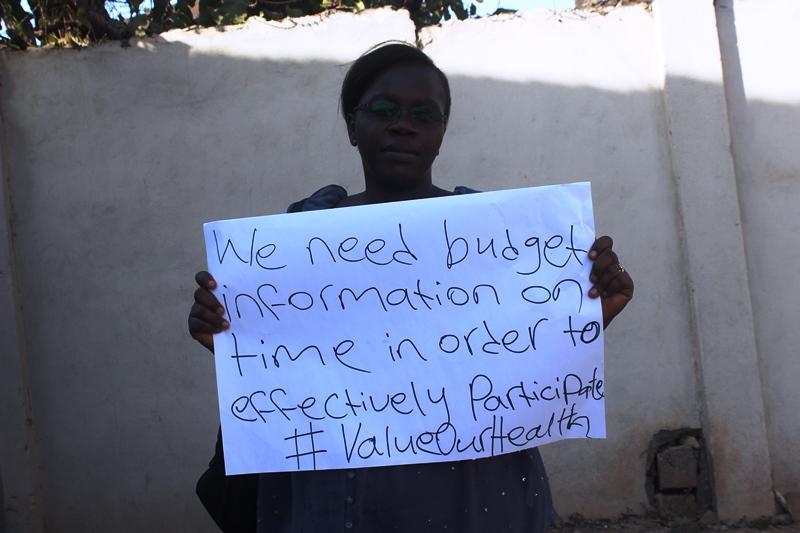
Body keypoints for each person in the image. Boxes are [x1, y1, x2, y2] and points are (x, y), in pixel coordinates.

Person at [188, 42, 634, 533]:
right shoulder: (295, 239)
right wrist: (228, 342)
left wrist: (592, 313)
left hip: (472, 494)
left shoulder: (498, 239)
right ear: (353, 124)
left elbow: (523, 362)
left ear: (442, 133)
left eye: (424, 114)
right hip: (339, 496)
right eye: (383, 109)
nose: (403, 124)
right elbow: (287, 372)